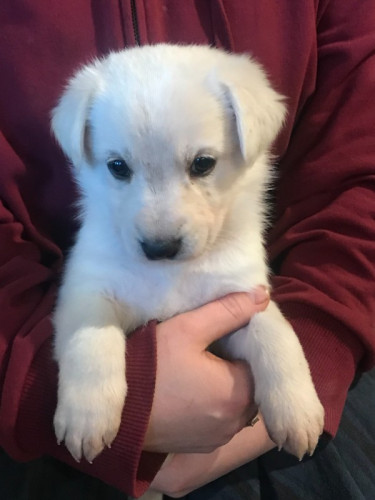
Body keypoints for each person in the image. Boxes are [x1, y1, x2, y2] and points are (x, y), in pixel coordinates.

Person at [0, 1, 374, 499]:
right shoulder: (93, 107)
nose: (159, 226)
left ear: (252, 134)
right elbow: (90, 301)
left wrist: (292, 364)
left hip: (256, 410)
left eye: (200, 165)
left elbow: (249, 309)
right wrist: (82, 374)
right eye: (119, 168)